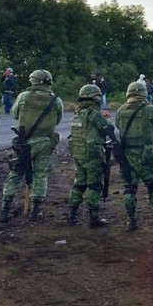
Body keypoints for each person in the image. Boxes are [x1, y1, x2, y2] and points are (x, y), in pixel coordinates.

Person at [0, 70, 63, 223]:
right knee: (40, 175)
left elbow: (14, 114)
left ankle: (5, 209)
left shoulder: (24, 96)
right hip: (46, 142)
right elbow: (58, 120)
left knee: (16, 174)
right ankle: (35, 210)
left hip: (24, 142)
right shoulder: (55, 100)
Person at [116, 82, 153, 230]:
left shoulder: (120, 110)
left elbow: (118, 126)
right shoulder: (149, 109)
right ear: (144, 94)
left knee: (129, 187)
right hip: (146, 155)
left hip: (126, 155)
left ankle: (131, 220)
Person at [67, 84, 114, 228]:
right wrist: (108, 119)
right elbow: (108, 129)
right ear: (94, 97)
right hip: (92, 154)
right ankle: (93, 217)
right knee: (94, 185)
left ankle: (71, 215)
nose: (99, 98)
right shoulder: (94, 113)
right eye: (98, 96)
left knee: (79, 184)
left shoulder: (78, 113)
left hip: (78, 153)